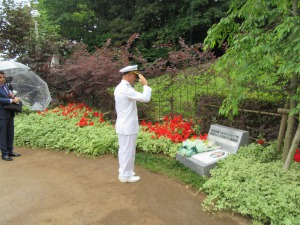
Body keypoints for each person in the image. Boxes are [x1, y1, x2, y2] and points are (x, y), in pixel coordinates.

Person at [114, 65, 152, 183]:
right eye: (135, 76)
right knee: (128, 151)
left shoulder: (121, 87)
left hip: (123, 125)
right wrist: (145, 84)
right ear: (129, 75)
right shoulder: (126, 89)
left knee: (124, 150)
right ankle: (126, 176)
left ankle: (125, 172)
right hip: (128, 126)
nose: (136, 78)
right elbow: (146, 98)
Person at [0, 70, 21, 161]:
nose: (2, 79)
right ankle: (4, 154)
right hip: (2, 113)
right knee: (2, 134)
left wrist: (12, 96)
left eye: (3, 77)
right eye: (0, 77)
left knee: (10, 133)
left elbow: (8, 96)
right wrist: (11, 100)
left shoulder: (6, 86)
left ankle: (10, 151)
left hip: (9, 112)